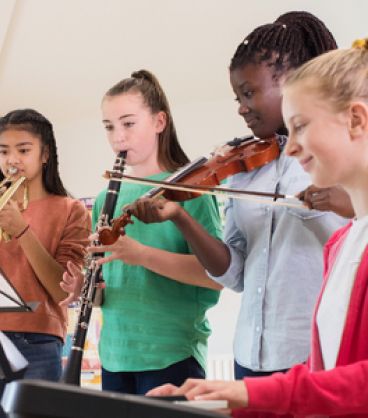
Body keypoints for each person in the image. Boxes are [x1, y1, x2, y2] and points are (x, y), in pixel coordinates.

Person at [148, 37, 368, 418]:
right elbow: (324, 374)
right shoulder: (342, 245)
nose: (291, 147)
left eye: (300, 126)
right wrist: (217, 403)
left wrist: (246, 395)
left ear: (357, 119)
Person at [86, 69, 223, 395]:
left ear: (159, 122)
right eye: (109, 127)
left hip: (171, 355)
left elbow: (216, 276)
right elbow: (106, 294)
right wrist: (85, 287)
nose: (118, 136)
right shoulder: (107, 199)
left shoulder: (191, 190)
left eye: (128, 123)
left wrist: (142, 255)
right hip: (115, 356)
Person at [0, 108, 91, 418]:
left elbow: (63, 292)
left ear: (45, 154)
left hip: (39, 341)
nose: (12, 160)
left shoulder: (71, 210)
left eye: (23, 150)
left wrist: (21, 229)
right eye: (3, 151)